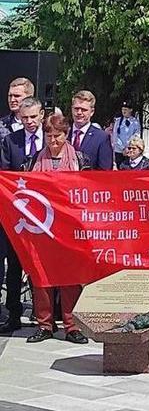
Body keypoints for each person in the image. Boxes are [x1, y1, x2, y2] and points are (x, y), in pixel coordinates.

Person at [25, 113, 89, 344]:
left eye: (57, 135)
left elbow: (88, 191)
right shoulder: (35, 159)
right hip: (41, 227)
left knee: (69, 277)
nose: (53, 140)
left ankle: (72, 326)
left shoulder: (79, 159)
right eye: (49, 135)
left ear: (66, 134)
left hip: (69, 227)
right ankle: (45, 324)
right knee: (42, 275)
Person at [0, 97, 45, 333]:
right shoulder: (10, 141)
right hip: (16, 213)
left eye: (33, 117)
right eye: (25, 118)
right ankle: (14, 313)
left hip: (44, 214)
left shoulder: (52, 140)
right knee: (15, 265)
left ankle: (44, 316)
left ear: (41, 116)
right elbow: (4, 173)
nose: (29, 122)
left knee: (42, 264)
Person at [0, 77, 35, 307]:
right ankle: (10, 308)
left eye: (18, 96)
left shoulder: (43, 129)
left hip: (36, 207)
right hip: (8, 205)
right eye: (10, 96)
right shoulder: (2, 126)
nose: (13, 99)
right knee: (9, 259)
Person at [69, 90, 113, 170]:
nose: (79, 112)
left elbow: (105, 171)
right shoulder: (63, 134)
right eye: (76, 108)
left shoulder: (102, 138)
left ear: (92, 112)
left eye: (84, 110)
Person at [112, 101, 141, 166]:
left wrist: (128, 148)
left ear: (131, 110)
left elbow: (136, 136)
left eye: (125, 109)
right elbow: (115, 136)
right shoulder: (118, 121)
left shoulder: (135, 122)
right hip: (119, 151)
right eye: (122, 109)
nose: (123, 111)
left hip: (130, 150)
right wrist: (123, 148)